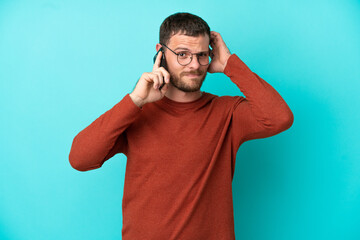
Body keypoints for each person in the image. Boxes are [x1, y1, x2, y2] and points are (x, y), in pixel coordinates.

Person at [69, 12, 294, 240]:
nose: (194, 65)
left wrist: (229, 65)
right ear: (161, 52)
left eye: (202, 55)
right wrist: (134, 100)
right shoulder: (136, 113)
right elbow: (80, 159)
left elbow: (280, 118)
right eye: (183, 54)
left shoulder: (227, 113)